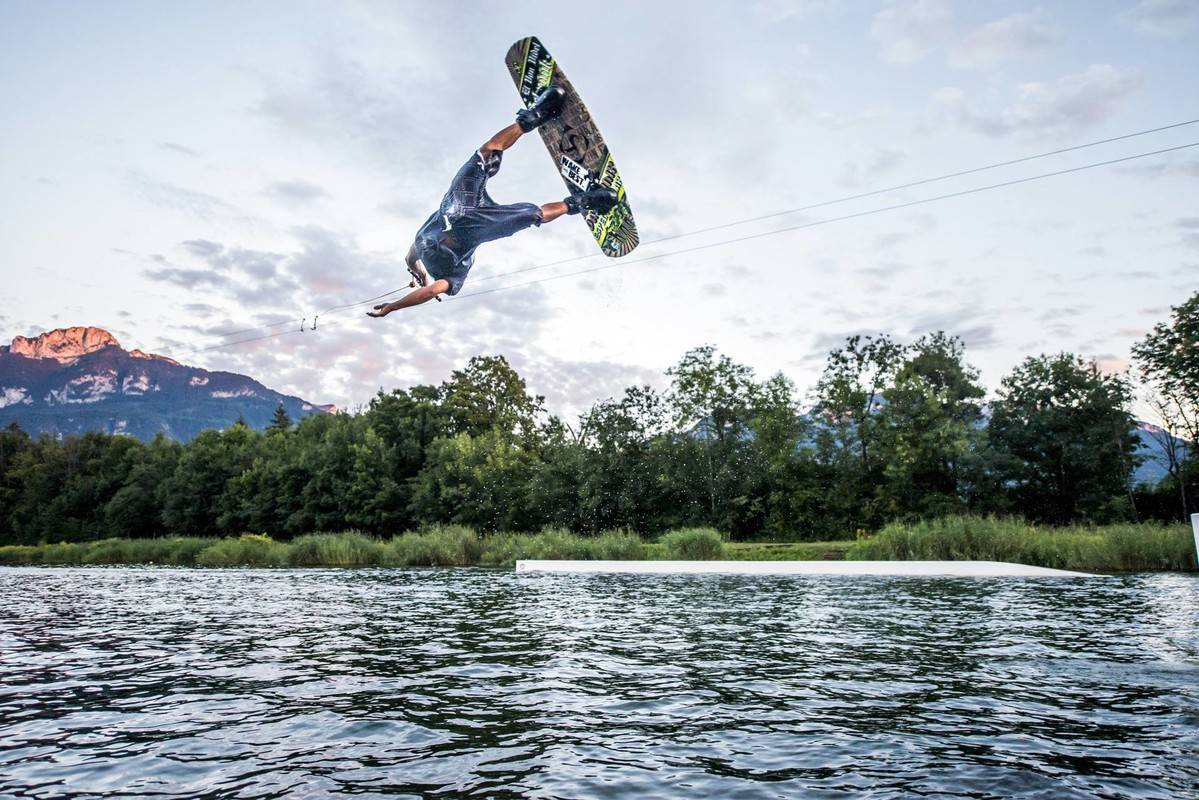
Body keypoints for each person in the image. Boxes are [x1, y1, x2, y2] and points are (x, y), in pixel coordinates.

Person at [367, 87, 618, 318]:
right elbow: (427, 285)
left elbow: (413, 262)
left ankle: (537, 115)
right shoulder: (448, 273)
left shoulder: (428, 253)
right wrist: (398, 300)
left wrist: (412, 279)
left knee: (491, 157)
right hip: (476, 225)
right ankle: (585, 200)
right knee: (528, 209)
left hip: (459, 206)